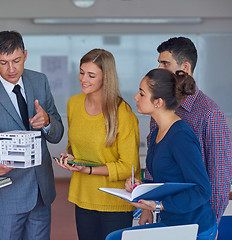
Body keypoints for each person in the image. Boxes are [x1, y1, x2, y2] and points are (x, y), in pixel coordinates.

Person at [0, 30, 64, 240]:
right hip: (5, 195)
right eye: (3, 62)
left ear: (25, 55)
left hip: (41, 192)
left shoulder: (40, 81)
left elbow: (57, 133)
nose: (11, 69)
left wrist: (47, 122)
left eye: (16, 60)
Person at [106, 69, 217, 240]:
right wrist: (141, 186)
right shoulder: (158, 131)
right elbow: (169, 180)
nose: (136, 97)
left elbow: (202, 190)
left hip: (194, 227)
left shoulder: (180, 136)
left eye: (142, 94)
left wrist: (159, 205)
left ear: (158, 102)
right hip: (173, 223)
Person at [141, 37, 232, 226]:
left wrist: (210, 224)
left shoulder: (209, 113)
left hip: (196, 220)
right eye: (158, 62)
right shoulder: (159, 108)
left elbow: (220, 176)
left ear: (185, 67)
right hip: (167, 215)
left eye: (165, 63)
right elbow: (153, 166)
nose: (159, 68)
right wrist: (147, 208)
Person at [54, 49, 140, 240]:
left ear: (106, 78)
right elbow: (73, 146)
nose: (83, 79)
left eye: (91, 75)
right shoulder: (73, 104)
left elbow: (128, 167)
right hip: (83, 198)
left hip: (114, 201)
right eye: (82, 72)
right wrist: (71, 158)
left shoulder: (123, 113)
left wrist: (89, 170)